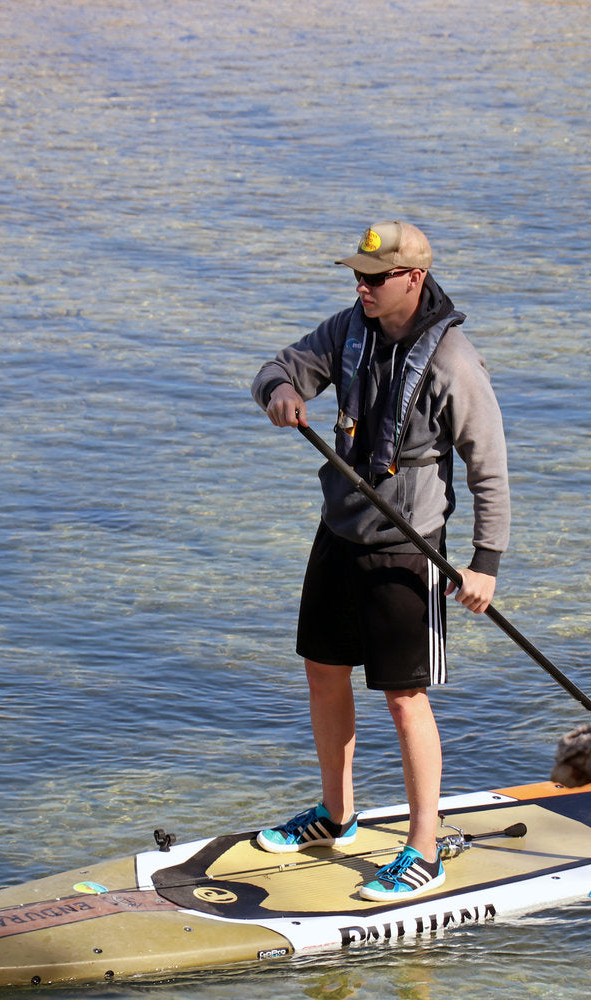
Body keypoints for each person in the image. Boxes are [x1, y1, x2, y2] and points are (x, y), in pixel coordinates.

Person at [249, 220, 510, 901]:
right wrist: (280, 394)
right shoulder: (346, 330)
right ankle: (337, 816)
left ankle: (424, 850)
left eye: (374, 278)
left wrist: (485, 563)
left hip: (408, 547)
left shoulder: (454, 361)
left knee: (403, 697)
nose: (360, 288)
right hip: (339, 533)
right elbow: (277, 368)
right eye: (356, 277)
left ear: (413, 279)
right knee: (322, 674)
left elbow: (490, 470)